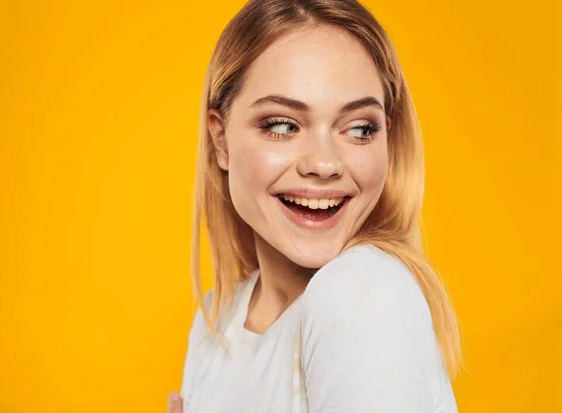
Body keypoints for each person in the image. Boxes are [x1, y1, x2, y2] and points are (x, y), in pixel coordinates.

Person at [168, 0, 462, 411]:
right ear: (220, 141)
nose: (324, 164)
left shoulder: (361, 293)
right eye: (283, 126)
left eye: (360, 129)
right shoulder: (216, 323)